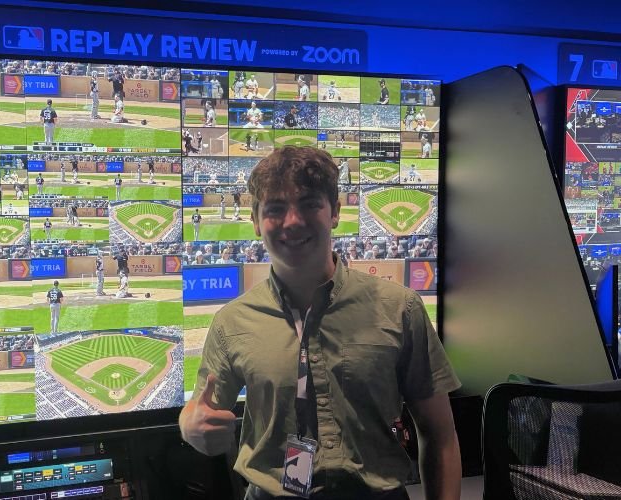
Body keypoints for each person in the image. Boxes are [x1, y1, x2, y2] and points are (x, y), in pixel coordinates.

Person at [179, 146, 461, 500]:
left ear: (335, 212)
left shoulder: (399, 308)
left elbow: (440, 436)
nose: (292, 221)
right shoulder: (232, 322)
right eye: (275, 209)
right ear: (255, 221)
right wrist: (190, 426)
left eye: (309, 204)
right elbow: (201, 409)